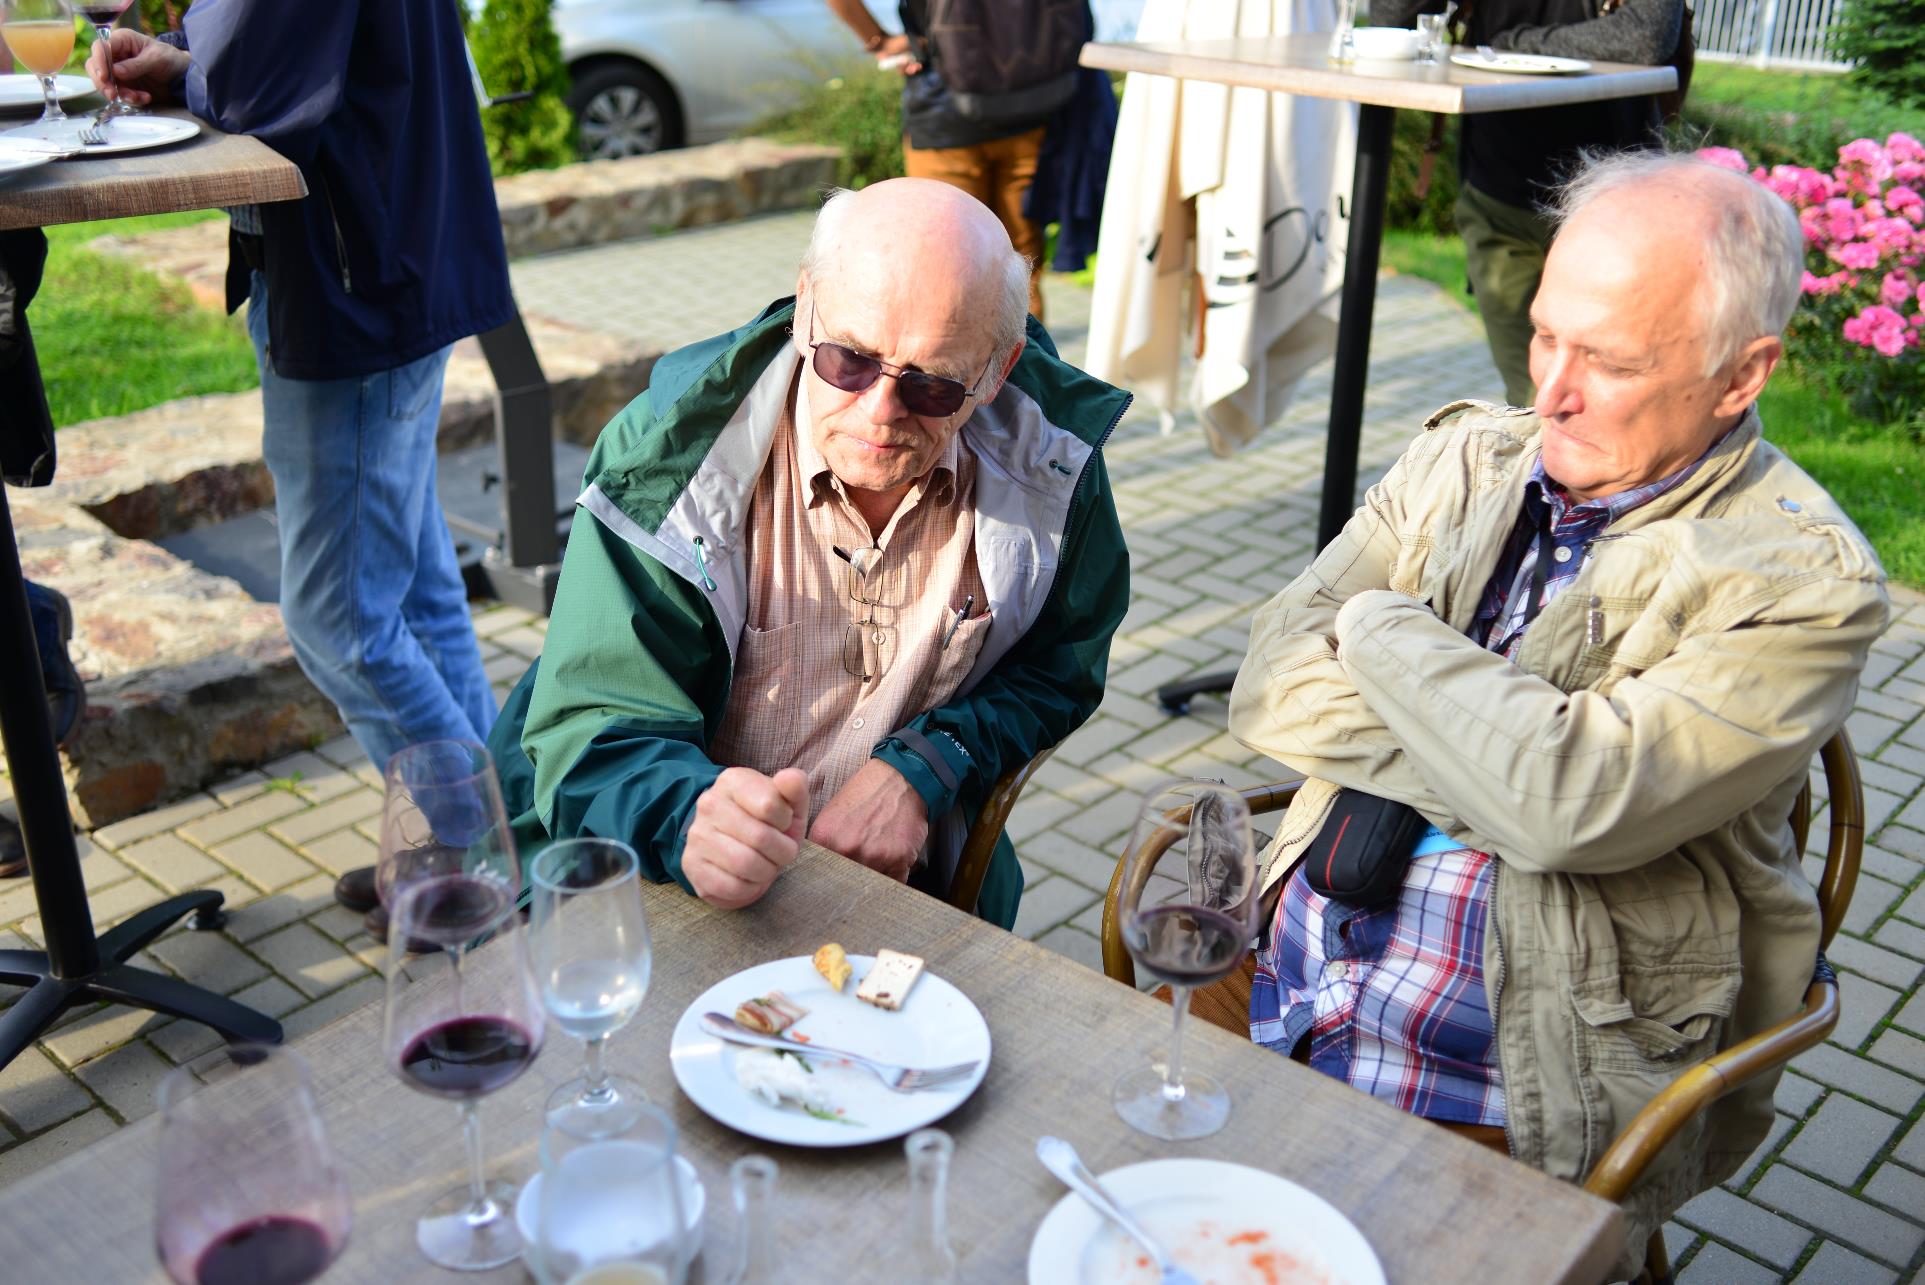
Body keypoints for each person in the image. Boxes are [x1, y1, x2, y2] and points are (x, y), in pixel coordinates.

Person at [1220, 152, 1888, 1273]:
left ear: (1740, 374)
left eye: (1609, 360)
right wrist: (1507, 762)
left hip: (1525, 1071)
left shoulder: (1801, 580)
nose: (1549, 392)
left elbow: (1565, 808)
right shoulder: (1463, 453)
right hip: (1281, 972)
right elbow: (1268, 679)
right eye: (1542, 334)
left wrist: (1380, 631)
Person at [489, 179, 1129, 929]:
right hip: (655, 875)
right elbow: (593, 727)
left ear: (996, 368)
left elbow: (1058, 672)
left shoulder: (1053, 471)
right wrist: (687, 814)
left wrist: (927, 766)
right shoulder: (665, 465)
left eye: (931, 383)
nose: (879, 411)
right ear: (805, 309)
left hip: (896, 888)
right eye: (849, 359)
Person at [88, 1, 515, 928]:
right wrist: (184, 58)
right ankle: (489, 827)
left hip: (356, 274)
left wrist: (186, 68)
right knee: (414, 589)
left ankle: (483, 852)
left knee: (342, 620)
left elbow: (257, 89)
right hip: (397, 251)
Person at [1372, 0, 1686, 405]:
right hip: (1499, 197)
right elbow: (1391, 25)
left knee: (1623, 405)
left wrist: (1522, 44)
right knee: (1535, 403)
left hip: (1614, 207)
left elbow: (1646, 36)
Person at [823, 0, 1092, 322]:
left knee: (942, 260)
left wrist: (878, 41)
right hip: (1034, 105)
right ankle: (1023, 365)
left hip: (944, 110)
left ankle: (942, 366)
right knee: (1021, 263)